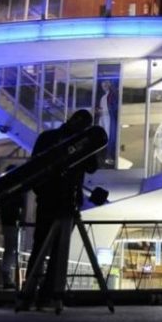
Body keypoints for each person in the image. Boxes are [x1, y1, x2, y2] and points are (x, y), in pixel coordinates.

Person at [25, 110, 98, 308]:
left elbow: (34, 167)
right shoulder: (68, 141)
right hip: (61, 199)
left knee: (42, 247)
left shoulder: (48, 138)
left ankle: (30, 295)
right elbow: (92, 166)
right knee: (56, 251)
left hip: (53, 199)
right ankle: (46, 295)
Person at [0, 165, 24, 290]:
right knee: (11, 248)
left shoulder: (4, 188)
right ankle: (6, 275)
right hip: (12, 220)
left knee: (10, 247)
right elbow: (20, 204)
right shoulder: (15, 188)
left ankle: (6, 275)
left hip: (8, 220)